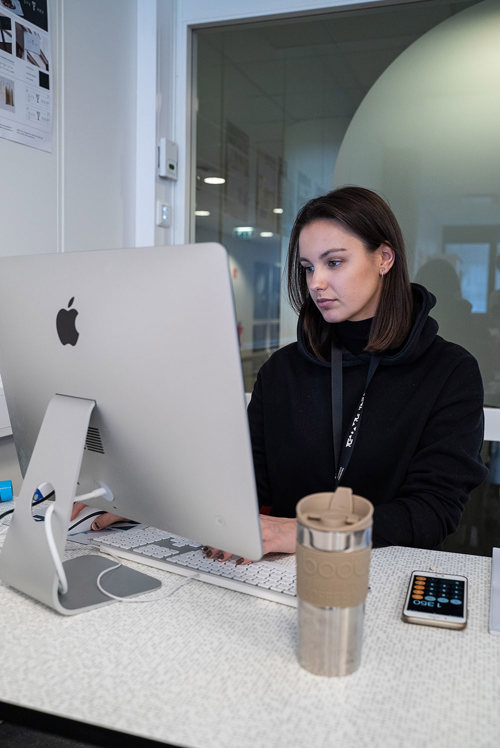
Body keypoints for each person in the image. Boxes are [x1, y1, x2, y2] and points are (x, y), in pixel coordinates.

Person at [75, 186, 487, 559]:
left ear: (384, 257)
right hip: (284, 572)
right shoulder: (284, 369)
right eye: (308, 267)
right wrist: (144, 501)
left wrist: (302, 533)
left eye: (335, 262)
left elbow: (431, 513)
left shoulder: (451, 373)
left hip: (384, 573)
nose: (317, 283)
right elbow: (247, 482)